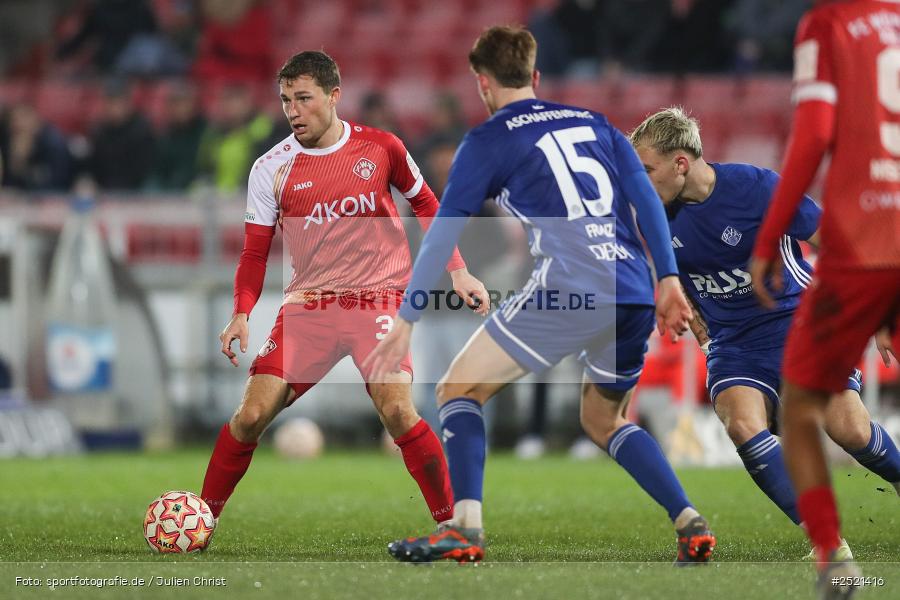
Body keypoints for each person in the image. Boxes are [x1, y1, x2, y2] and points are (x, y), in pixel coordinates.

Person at [365, 26, 716, 564]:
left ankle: (465, 528)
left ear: (482, 84)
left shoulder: (488, 139)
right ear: (534, 76)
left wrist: (408, 317)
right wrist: (667, 279)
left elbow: (443, 229)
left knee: (457, 390)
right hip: (631, 288)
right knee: (604, 421)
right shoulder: (595, 122)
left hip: (569, 285)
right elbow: (646, 198)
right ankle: (689, 521)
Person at [201, 51, 490, 534]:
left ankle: (454, 525)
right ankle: (201, 518)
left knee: (397, 409)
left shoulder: (382, 148)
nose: (293, 110)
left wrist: (458, 270)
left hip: (376, 300)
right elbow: (254, 254)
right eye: (286, 100)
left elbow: (426, 203)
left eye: (304, 98)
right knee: (250, 415)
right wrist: (241, 313)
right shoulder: (270, 168)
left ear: (334, 96)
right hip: (308, 308)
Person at [630, 106, 900, 560]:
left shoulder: (757, 188)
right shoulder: (652, 214)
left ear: (681, 163)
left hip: (800, 323)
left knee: (850, 431)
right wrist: (692, 319)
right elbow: (676, 281)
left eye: (646, 169)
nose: (638, 182)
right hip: (735, 344)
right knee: (742, 424)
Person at [749, 1, 900, 597]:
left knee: (803, 409)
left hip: (863, 242)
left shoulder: (827, 23)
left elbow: (813, 133)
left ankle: (837, 565)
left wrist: (769, 237)